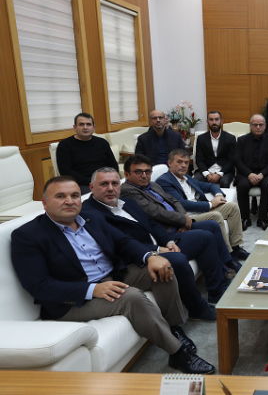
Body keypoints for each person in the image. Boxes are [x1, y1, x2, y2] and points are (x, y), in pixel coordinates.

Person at [10, 176, 214, 374]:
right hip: (73, 300)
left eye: (74, 195)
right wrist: (93, 289)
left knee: (164, 270)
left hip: (113, 275)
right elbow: (38, 285)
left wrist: (150, 256)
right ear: (45, 203)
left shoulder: (92, 218)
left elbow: (124, 242)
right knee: (131, 297)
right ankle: (178, 353)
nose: (69, 201)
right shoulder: (27, 235)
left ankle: (173, 327)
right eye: (60, 196)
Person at [83, 167, 235, 317]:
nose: (111, 188)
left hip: (161, 244)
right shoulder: (90, 213)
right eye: (104, 184)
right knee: (178, 260)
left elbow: (152, 223)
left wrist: (168, 242)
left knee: (205, 237)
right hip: (138, 257)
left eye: (115, 183)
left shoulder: (127, 202)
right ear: (91, 187)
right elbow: (119, 244)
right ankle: (197, 308)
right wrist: (156, 249)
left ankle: (216, 290)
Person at [120, 154, 244, 268]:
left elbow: (174, 201)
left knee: (218, 220)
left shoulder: (153, 184)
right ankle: (226, 265)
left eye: (147, 172)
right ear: (126, 174)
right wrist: (184, 219)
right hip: (168, 229)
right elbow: (156, 212)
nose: (144, 175)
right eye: (138, 172)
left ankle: (231, 256)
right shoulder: (131, 190)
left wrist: (184, 218)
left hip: (181, 218)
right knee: (212, 224)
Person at [156, 149, 248, 259]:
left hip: (200, 210)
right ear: (170, 163)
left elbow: (208, 186)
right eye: (179, 162)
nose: (184, 165)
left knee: (232, 207)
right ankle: (227, 254)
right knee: (215, 216)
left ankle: (236, 248)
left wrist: (218, 194)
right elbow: (182, 203)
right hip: (187, 217)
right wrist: (210, 204)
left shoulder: (186, 177)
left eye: (186, 162)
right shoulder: (164, 181)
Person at [234, 114, 268, 231]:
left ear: (265, 126)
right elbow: (237, 160)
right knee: (242, 185)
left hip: (265, 173)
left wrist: (261, 174)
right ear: (251, 126)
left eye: (260, 125)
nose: (258, 127)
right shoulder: (242, 140)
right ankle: (245, 218)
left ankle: (262, 219)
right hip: (247, 172)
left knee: (267, 185)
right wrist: (249, 174)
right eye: (255, 125)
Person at [56, 113, 118, 194]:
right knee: (101, 195)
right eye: (81, 124)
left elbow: (113, 165)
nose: (85, 127)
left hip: (106, 180)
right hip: (81, 184)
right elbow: (66, 172)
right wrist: (93, 182)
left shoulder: (102, 143)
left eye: (88, 124)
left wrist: (110, 179)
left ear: (93, 127)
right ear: (75, 127)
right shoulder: (65, 145)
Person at [194, 110, 237, 188]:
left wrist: (219, 174)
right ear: (207, 122)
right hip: (207, 169)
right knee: (195, 181)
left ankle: (222, 196)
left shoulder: (230, 138)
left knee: (224, 182)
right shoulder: (201, 138)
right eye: (211, 120)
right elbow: (199, 159)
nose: (214, 122)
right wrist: (207, 174)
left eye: (216, 119)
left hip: (225, 171)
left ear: (221, 121)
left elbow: (232, 160)